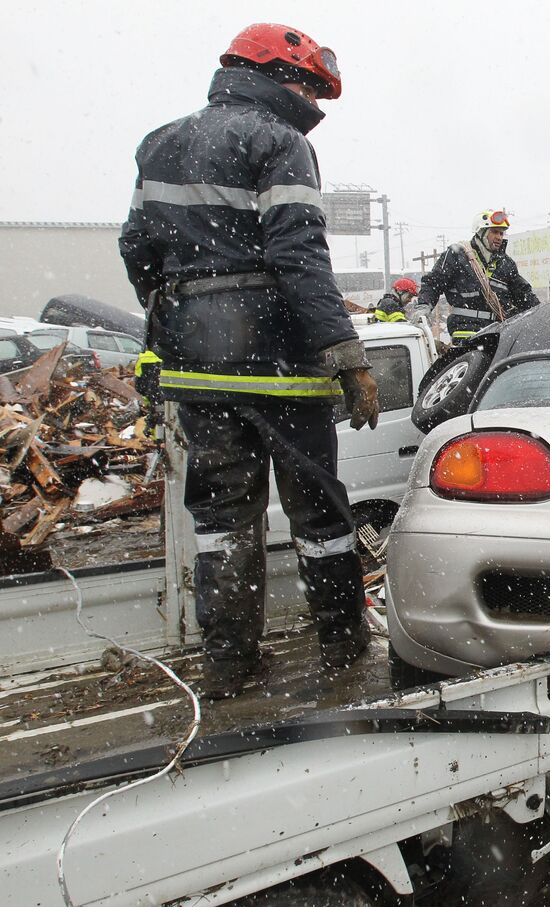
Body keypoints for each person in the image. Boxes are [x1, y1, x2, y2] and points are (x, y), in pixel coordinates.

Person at [118, 23, 380, 699]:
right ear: (274, 74)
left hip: (196, 368)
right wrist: (346, 358)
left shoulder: (160, 143)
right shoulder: (278, 141)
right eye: (311, 85)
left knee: (222, 520)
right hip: (282, 362)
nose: (313, 101)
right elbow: (298, 255)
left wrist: (181, 311)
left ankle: (231, 664)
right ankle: (344, 648)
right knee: (319, 514)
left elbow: (136, 248)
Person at [416, 209, 540, 340]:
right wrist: (423, 307)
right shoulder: (457, 255)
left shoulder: (506, 264)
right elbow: (433, 283)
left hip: (498, 334)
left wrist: (542, 313)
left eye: (501, 233)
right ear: (481, 232)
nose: (499, 237)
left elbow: (524, 294)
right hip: (466, 332)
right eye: (494, 232)